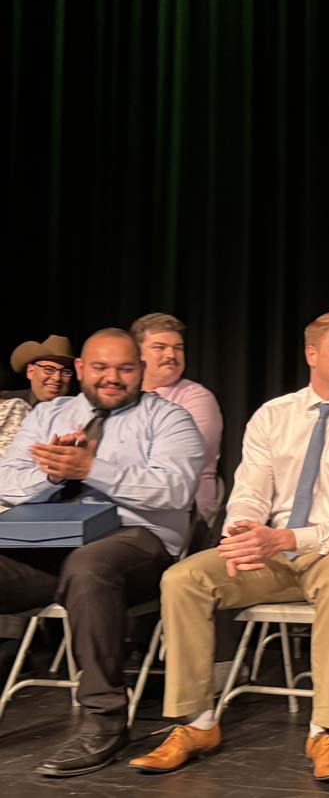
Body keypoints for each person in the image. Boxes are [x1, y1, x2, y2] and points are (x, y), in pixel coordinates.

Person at [128, 311, 329, 783]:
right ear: (311, 353)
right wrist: (242, 529)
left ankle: (326, 729)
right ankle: (195, 723)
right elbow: (250, 489)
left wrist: (290, 538)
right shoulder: (274, 415)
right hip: (274, 552)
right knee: (184, 578)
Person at [0, 328, 204, 776]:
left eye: (125, 369)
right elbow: (6, 481)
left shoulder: (169, 419)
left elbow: (174, 490)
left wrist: (93, 468)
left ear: (141, 371)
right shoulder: (47, 416)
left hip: (137, 543)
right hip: (48, 543)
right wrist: (52, 475)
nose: (112, 378)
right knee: (74, 566)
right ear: (80, 369)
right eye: (100, 368)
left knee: (90, 566)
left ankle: (104, 721)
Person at [130, 313, 224, 525]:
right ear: (137, 354)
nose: (171, 354)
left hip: (182, 511)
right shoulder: (124, 397)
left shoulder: (196, 397)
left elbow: (185, 459)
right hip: (127, 506)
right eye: (160, 347)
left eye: (178, 348)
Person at [1, 335, 76, 407]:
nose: (57, 378)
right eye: (49, 369)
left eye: (65, 372)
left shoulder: (77, 410)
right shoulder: (7, 402)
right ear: (30, 371)